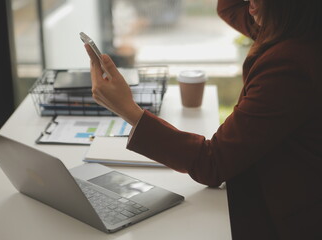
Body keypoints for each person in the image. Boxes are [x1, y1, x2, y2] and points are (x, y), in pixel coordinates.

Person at [84, 0, 322, 239]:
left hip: (281, 218)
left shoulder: (291, 63)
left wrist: (128, 110)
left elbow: (213, 163)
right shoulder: (295, 26)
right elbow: (228, 8)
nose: (250, 5)